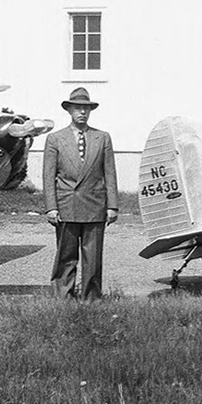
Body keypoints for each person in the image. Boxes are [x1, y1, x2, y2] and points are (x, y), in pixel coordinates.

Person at [42, 87, 119, 300]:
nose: (82, 113)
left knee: (92, 256)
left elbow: (110, 173)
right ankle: (63, 296)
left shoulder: (102, 138)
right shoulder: (55, 139)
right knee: (66, 255)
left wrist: (112, 205)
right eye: (77, 108)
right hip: (66, 204)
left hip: (95, 205)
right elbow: (48, 177)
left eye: (86, 109)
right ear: (69, 110)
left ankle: (91, 298)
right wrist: (51, 207)